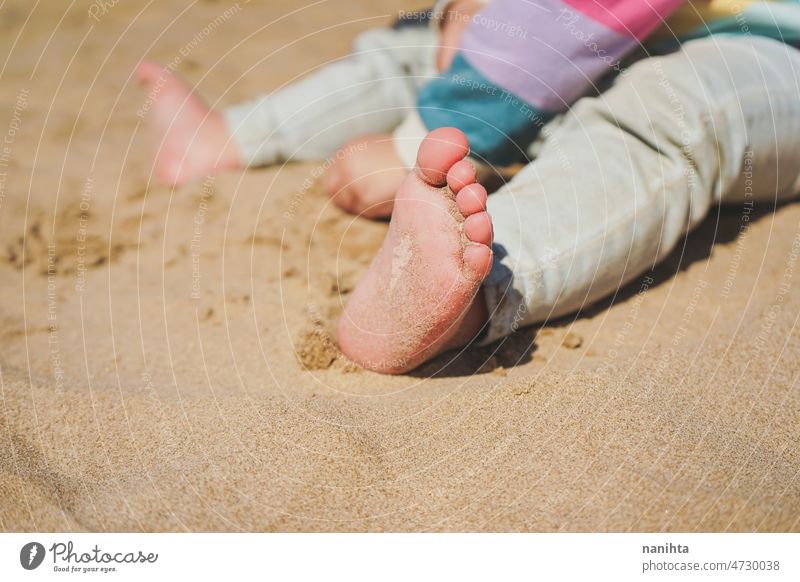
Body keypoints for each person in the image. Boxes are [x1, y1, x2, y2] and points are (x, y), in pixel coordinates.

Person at [138, 1, 800, 373]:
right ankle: (227, 138)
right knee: (422, 43)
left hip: (771, 46)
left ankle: (476, 290)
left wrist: (421, 135)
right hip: (601, 40)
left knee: (667, 114)